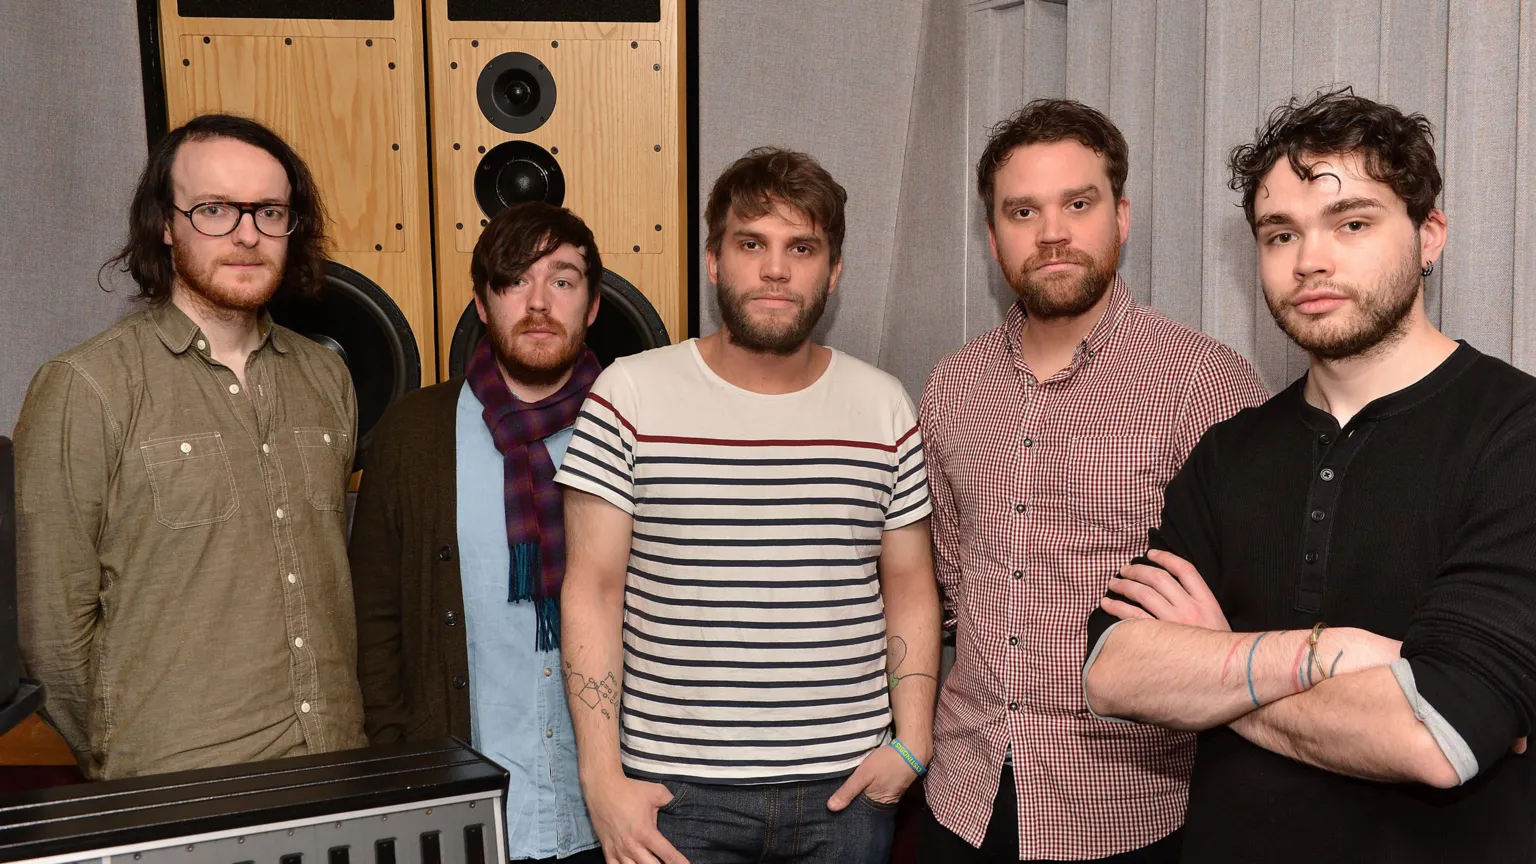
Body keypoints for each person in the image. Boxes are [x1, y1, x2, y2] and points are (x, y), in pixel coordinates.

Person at [1083, 87, 1536, 862]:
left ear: (1430, 235)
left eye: (1352, 222)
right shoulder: (1227, 451)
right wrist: (1323, 653)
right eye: (1279, 233)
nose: (1310, 260)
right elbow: (1111, 671)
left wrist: (1218, 667)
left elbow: (1438, 734)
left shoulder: (1515, 432)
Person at [554, 147, 940, 864]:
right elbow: (592, 588)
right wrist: (601, 777)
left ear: (834, 271)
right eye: (751, 243)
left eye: (801, 247)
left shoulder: (884, 405)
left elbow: (911, 583)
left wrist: (912, 744)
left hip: (845, 795)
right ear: (713, 261)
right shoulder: (628, 395)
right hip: (675, 799)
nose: (774, 269)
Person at [917, 99, 1269, 863]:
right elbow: (951, 576)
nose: (1052, 233)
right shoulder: (951, 386)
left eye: (1078, 203)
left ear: (1121, 215)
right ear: (992, 235)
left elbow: (1250, 610)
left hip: (1128, 811)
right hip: (963, 797)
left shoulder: (1205, 383)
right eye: (1022, 211)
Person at [14, 113, 364, 780]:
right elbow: (52, 632)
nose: (245, 233)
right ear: (166, 226)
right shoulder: (85, 388)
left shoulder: (327, 379)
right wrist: (133, 750)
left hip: (332, 762)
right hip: (177, 784)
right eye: (213, 209)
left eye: (269, 211)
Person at [351, 201, 604, 862]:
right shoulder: (413, 433)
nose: (540, 302)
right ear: (482, 305)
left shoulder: (632, 426)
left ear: (594, 305)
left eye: (563, 280)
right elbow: (375, 617)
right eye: (514, 280)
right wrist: (397, 766)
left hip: (607, 814)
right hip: (463, 814)